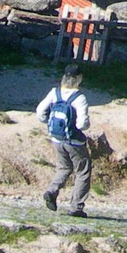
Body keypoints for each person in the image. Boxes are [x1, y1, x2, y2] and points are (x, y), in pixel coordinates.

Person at [35, 62, 91, 218]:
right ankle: (76, 207)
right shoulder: (79, 97)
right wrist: (83, 127)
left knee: (64, 168)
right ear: (79, 78)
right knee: (83, 172)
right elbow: (82, 124)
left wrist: (47, 122)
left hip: (56, 139)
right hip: (74, 141)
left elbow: (40, 112)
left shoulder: (54, 92)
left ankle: (51, 191)